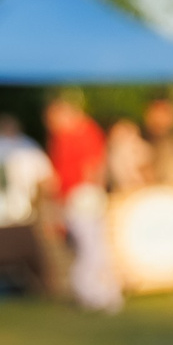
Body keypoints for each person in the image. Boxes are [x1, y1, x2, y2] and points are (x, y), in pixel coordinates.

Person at [45, 94, 121, 313]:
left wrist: (93, 188)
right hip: (74, 196)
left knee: (93, 247)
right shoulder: (61, 138)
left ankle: (97, 292)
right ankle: (96, 292)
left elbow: (94, 165)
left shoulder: (85, 132)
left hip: (83, 194)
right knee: (90, 246)